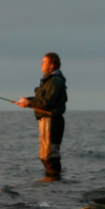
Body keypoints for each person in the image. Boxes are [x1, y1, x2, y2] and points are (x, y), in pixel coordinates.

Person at [15, 52, 67, 182]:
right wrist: (27, 100)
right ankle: (51, 181)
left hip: (52, 121)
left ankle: (53, 183)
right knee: (45, 155)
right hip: (46, 120)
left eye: (44, 62)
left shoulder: (55, 81)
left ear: (52, 65)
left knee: (50, 155)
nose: (41, 64)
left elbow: (48, 103)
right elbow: (41, 99)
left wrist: (28, 104)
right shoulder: (49, 80)